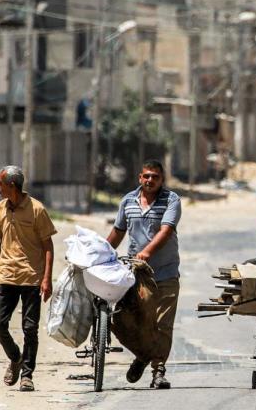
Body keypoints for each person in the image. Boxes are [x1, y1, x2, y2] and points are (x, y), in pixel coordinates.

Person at [106, 159, 182, 390]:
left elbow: (166, 230)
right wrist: (99, 253)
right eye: (146, 176)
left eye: (155, 177)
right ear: (140, 177)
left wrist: (146, 252)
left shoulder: (171, 200)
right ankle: (142, 355)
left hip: (166, 273)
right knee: (124, 320)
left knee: (162, 325)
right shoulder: (128, 201)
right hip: (136, 275)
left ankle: (158, 371)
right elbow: (118, 232)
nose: (150, 180)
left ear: (162, 179)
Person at [0, 165, 57, 392]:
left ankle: (27, 375)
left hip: (31, 278)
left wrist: (47, 278)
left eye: (0, 183)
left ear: (11, 185)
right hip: (6, 275)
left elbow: (48, 245)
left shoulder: (37, 209)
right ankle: (15, 357)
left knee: (30, 328)